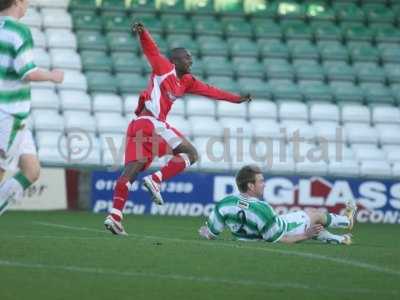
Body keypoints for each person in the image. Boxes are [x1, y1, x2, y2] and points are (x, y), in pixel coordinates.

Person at [104, 22, 252, 235]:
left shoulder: (187, 81)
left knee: (130, 173)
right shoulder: (164, 68)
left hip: (140, 126)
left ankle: (115, 216)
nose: (190, 60)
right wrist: (143, 32)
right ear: (175, 60)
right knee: (191, 153)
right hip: (151, 123)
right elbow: (151, 49)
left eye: (191, 57)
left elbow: (211, 91)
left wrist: (236, 99)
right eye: (187, 57)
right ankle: (156, 179)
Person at [0, 0, 64, 215]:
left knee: (31, 171)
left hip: (15, 117)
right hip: (8, 113)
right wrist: (53, 76)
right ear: (17, 2)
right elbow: (27, 72)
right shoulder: (18, 30)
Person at [199, 165, 356, 245]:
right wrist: (305, 235)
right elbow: (282, 240)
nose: (264, 184)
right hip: (285, 228)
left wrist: (205, 231)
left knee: (314, 226)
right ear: (251, 186)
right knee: (313, 214)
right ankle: (347, 221)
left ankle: (341, 239)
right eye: (261, 181)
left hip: (253, 236)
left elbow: (211, 234)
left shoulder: (224, 204)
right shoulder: (263, 210)